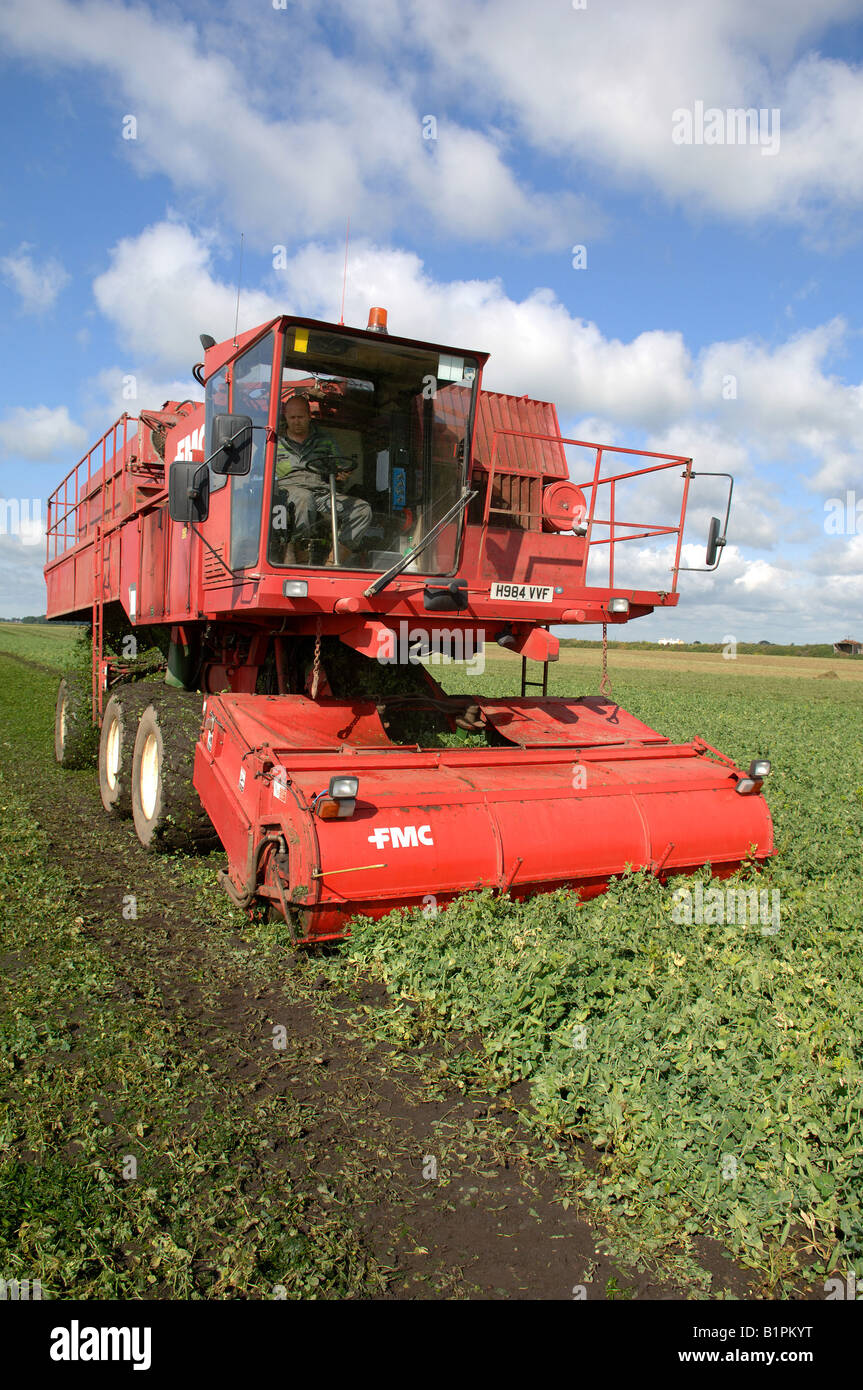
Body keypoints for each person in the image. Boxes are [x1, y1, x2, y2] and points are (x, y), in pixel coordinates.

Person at [274, 394, 371, 558]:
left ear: (309, 416)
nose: (297, 421)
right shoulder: (274, 440)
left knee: (362, 509)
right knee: (304, 499)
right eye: (292, 417)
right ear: (285, 416)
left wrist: (341, 473)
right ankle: (298, 556)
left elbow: (337, 464)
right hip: (287, 491)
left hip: (321, 491)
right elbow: (258, 472)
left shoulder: (325, 440)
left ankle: (334, 560)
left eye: (301, 417)